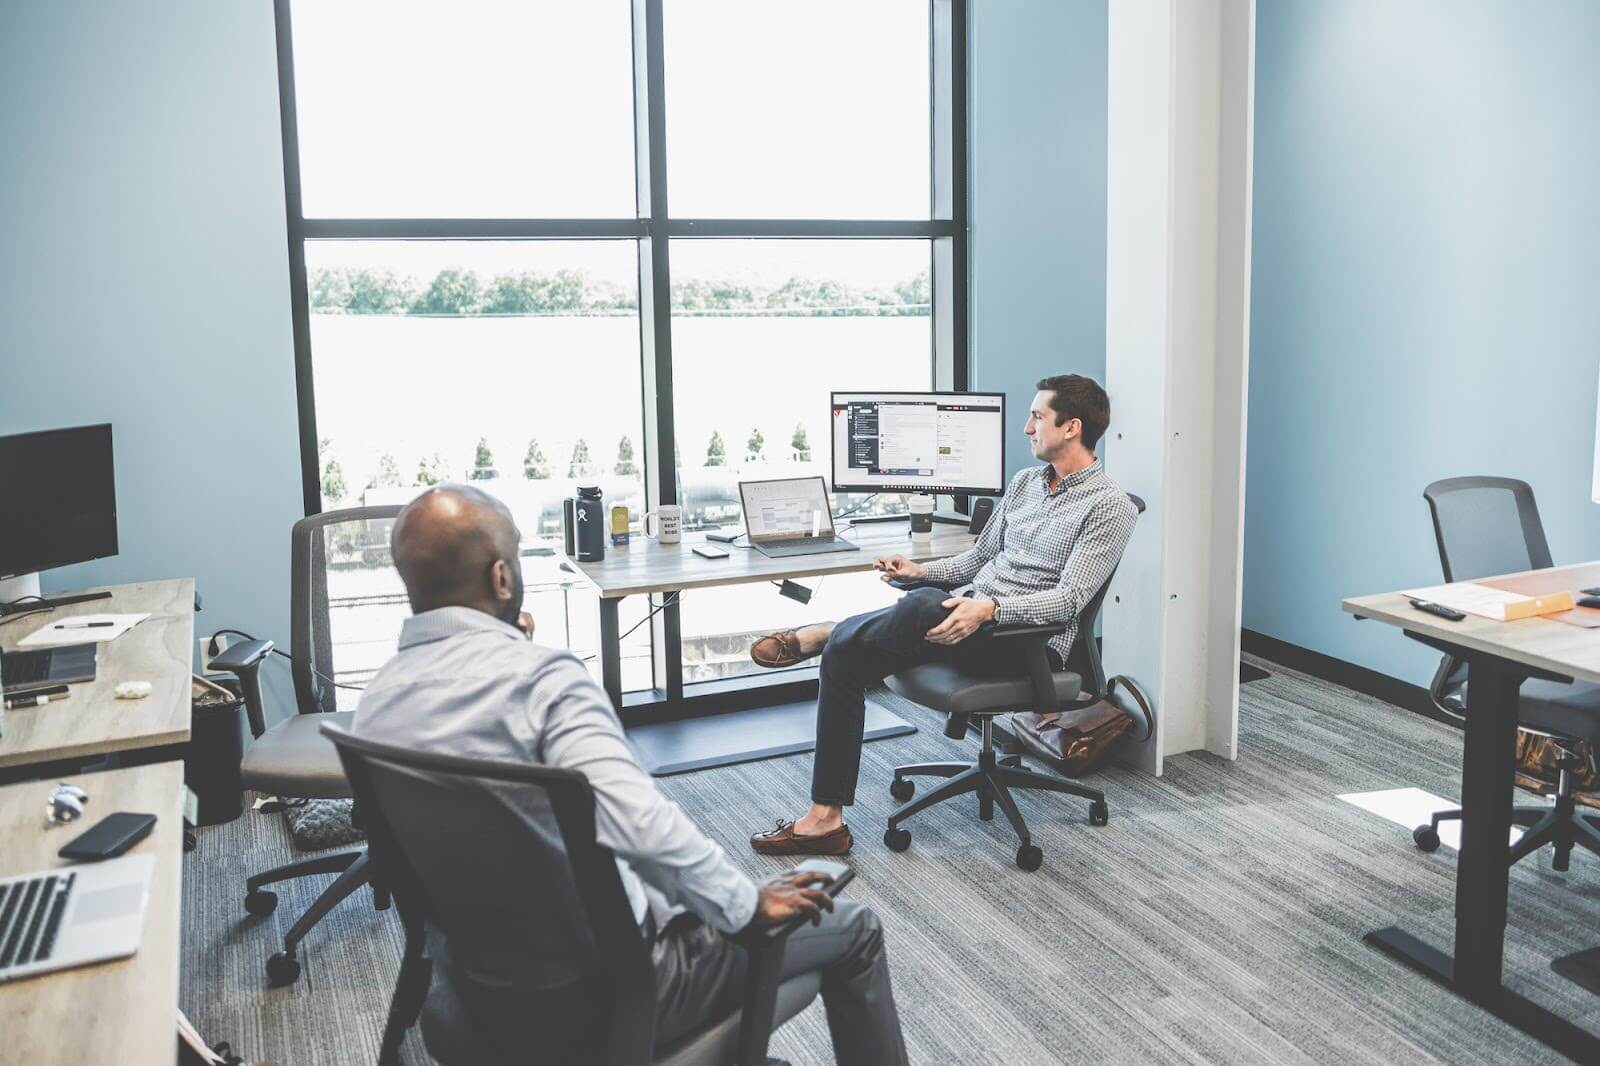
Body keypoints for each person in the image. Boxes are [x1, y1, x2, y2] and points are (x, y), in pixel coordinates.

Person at [352, 485, 908, 1065]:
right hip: (612, 992)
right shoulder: (543, 681)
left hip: (476, 997)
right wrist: (744, 906)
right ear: (500, 578)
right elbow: (639, 822)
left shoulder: (378, 703)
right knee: (856, 927)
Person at [748, 374, 1139, 857]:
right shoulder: (1024, 485)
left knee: (924, 605)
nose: (1026, 428)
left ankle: (830, 629)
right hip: (963, 616)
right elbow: (977, 561)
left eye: (1037, 416)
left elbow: (1068, 600)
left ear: (1071, 427)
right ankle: (825, 819)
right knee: (849, 656)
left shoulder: (1109, 507)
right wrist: (919, 570)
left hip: (1022, 642)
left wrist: (989, 609)